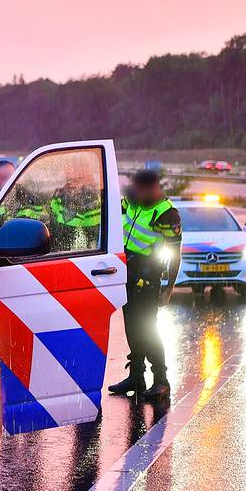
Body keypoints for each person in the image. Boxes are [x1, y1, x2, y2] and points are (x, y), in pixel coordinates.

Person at [108, 170, 181, 401]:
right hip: (127, 274)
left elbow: (175, 254)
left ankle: (161, 380)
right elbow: (114, 216)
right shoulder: (132, 201)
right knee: (132, 327)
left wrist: (168, 288)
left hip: (148, 279)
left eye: (139, 189)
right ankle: (136, 376)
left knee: (148, 329)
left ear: (153, 188)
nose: (135, 192)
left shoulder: (167, 213)